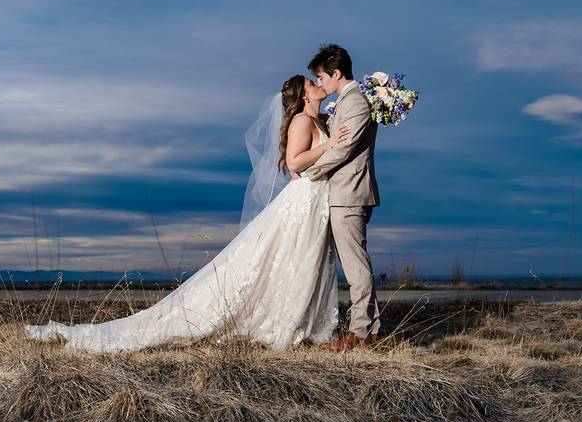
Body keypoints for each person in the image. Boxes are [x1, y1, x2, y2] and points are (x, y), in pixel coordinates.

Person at [23, 74, 349, 352]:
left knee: (303, 262)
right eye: (311, 81)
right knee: (286, 261)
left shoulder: (320, 120)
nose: (317, 82)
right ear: (304, 94)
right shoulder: (303, 121)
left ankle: (303, 323)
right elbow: (294, 163)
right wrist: (329, 143)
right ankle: (283, 324)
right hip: (303, 202)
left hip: (313, 202)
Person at [308, 44, 382, 349]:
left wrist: (311, 172)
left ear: (337, 73)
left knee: (355, 267)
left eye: (322, 77)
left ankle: (360, 334)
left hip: (350, 193)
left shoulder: (356, 103)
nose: (320, 84)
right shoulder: (345, 102)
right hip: (345, 192)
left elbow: (343, 149)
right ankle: (372, 331)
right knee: (355, 263)